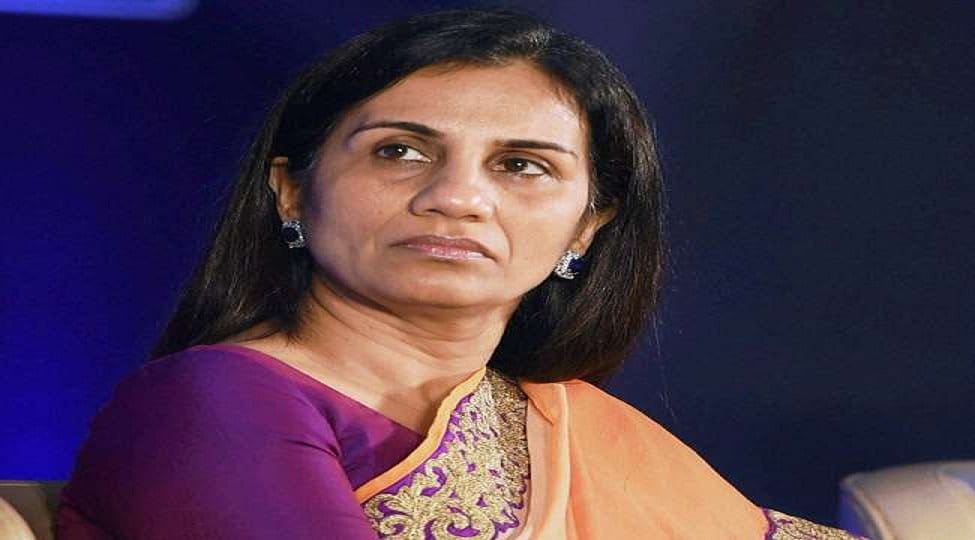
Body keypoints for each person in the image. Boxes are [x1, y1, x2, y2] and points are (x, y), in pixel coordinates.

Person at [55, 8, 864, 539]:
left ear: (587, 225)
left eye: (521, 165)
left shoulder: (572, 430)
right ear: (291, 190)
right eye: (399, 151)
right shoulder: (212, 402)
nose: (456, 197)